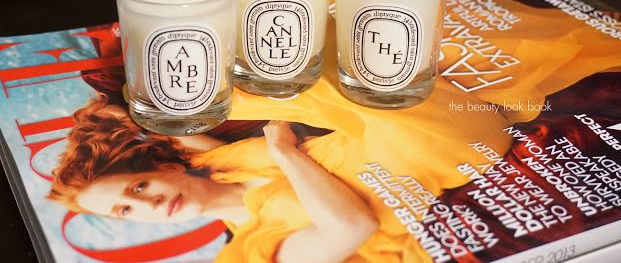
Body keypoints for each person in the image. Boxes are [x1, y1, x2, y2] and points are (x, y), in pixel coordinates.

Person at [49, 94, 379, 263]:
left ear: (168, 169)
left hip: (384, 133)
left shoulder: (218, 160)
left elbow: (124, 116)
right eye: (126, 210)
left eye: (139, 186)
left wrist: (104, 128)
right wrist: (283, 151)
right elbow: (351, 226)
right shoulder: (249, 251)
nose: (150, 204)